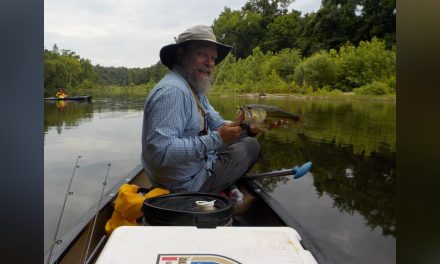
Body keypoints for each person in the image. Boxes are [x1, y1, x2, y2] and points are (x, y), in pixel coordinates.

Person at [141, 25, 282, 194]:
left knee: (246, 138)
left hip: (188, 173)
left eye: (213, 58)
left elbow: (217, 124)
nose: (210, 63)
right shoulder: (174, 91)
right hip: (184, 186)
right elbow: (160, 152)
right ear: (180, 55)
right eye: (202, 54)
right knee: (250, 147)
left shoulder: (193, 88)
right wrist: (217, 139)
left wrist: (248, 128)